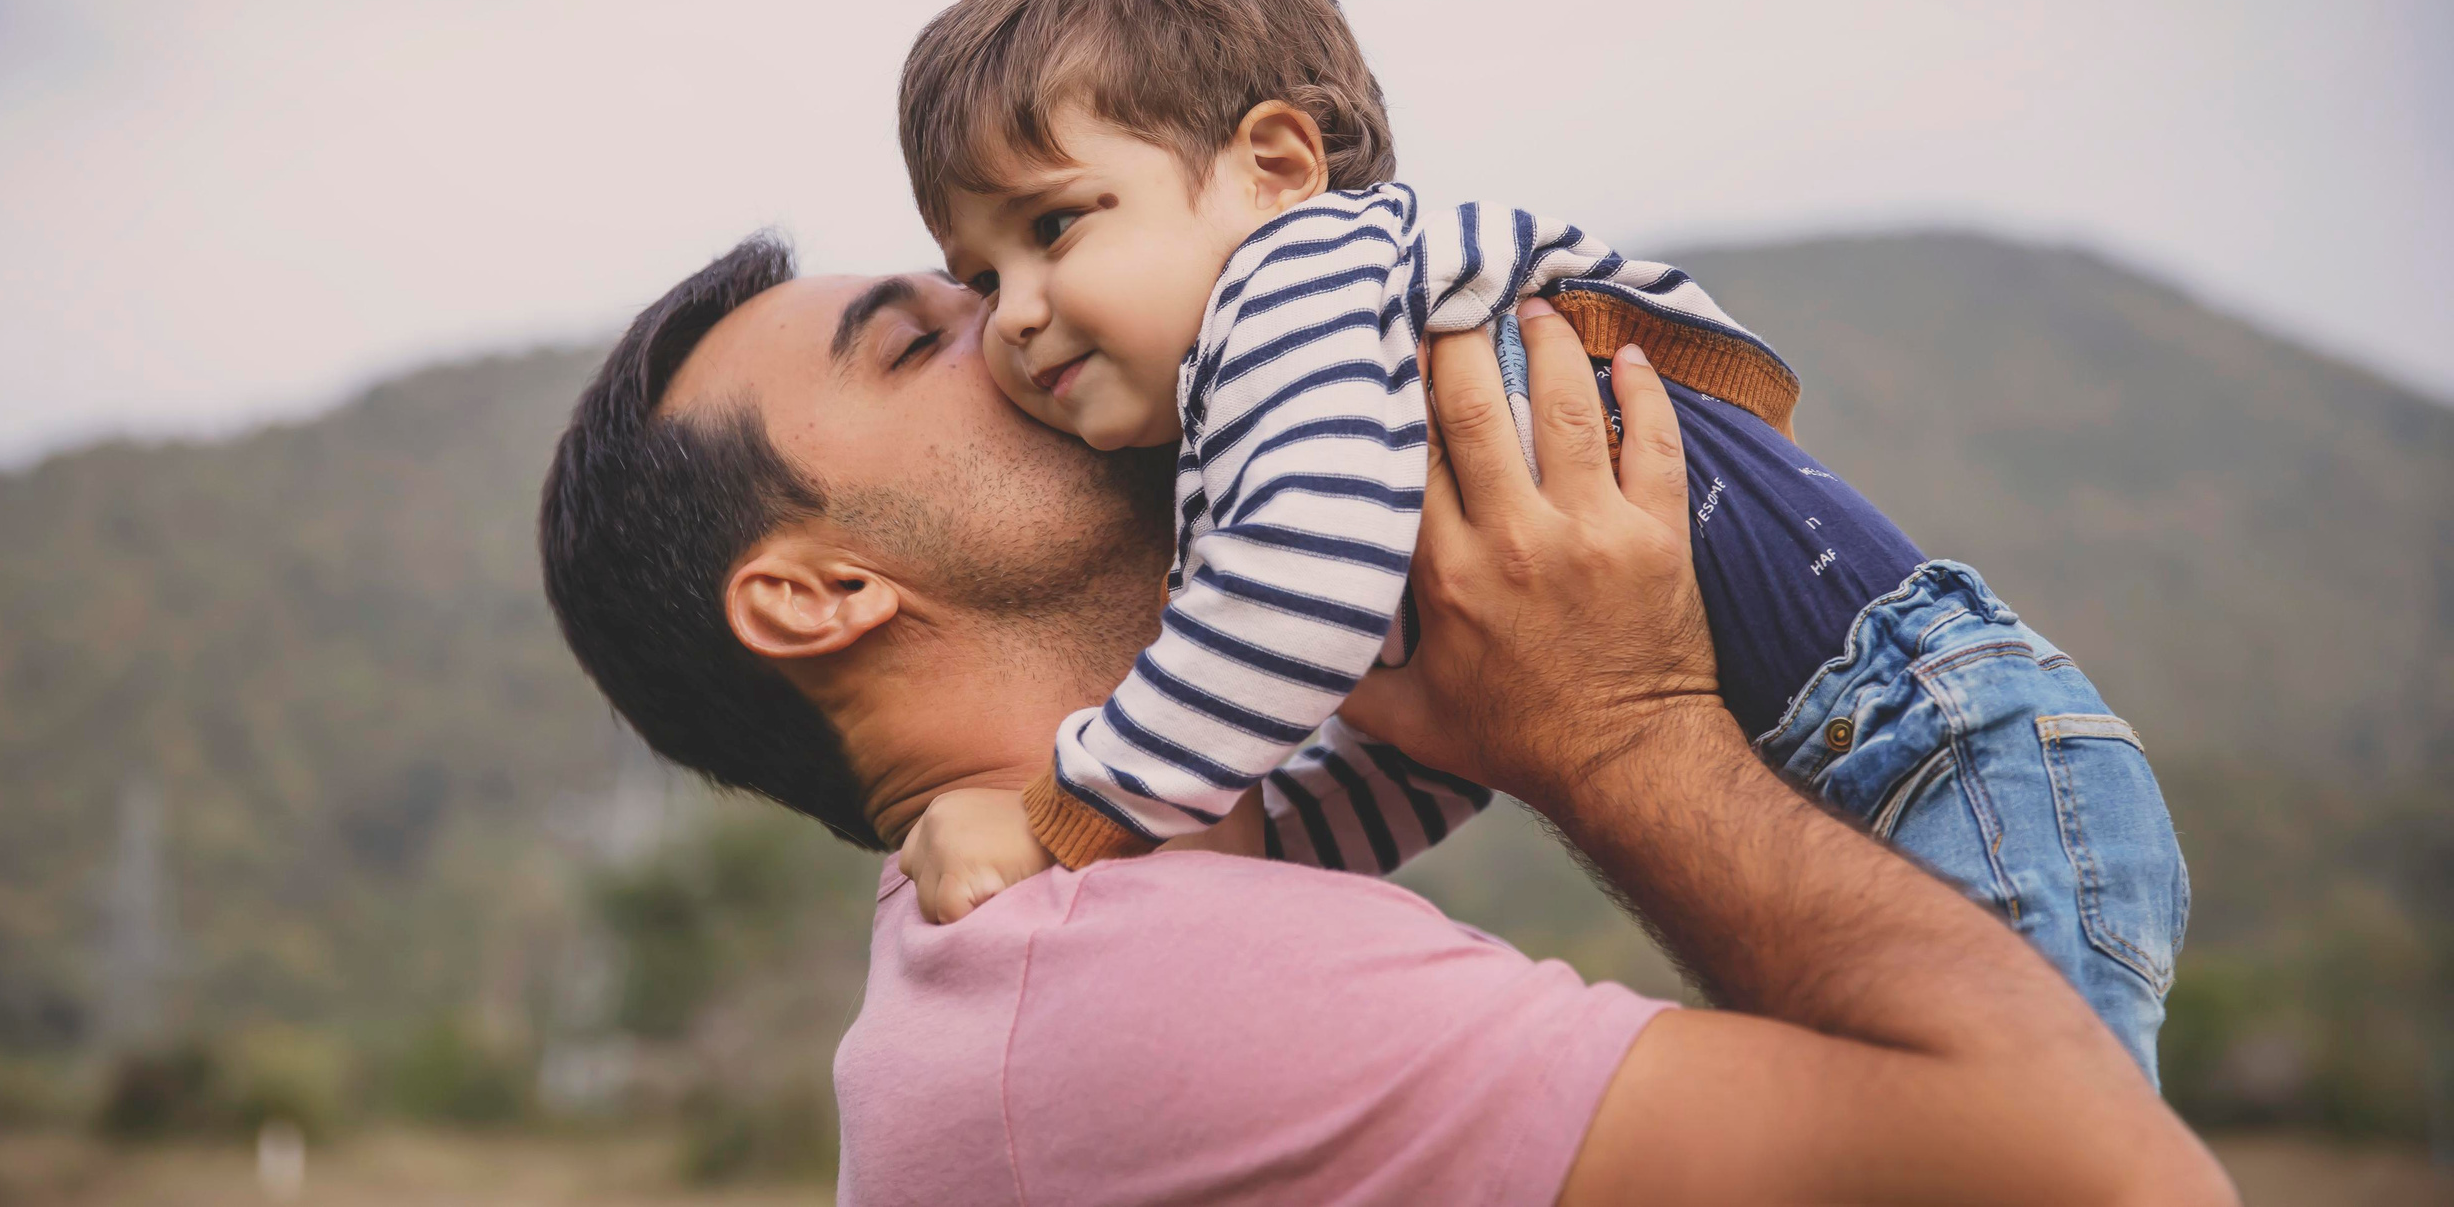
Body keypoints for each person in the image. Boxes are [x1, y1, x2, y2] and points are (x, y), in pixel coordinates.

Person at [536, 234, 2233, 1204]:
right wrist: (1620, 728)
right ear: (815, 595)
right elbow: (2112, 1182)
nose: (1026, 315)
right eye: (922, 337)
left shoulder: (1074, 960)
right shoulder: (1121, 995)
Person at [888, 0, 2186, 1076]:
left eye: (1055, 225)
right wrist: (1249, 842)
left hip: (1942, 751)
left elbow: (1295, 587)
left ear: (1275, 166)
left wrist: (1072, 814)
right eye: (980, 277)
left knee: (2041, 1145)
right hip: (1859, 780)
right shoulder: (1332, 411)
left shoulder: (1299, 276)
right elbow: (1433, 752)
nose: (1018, 313)